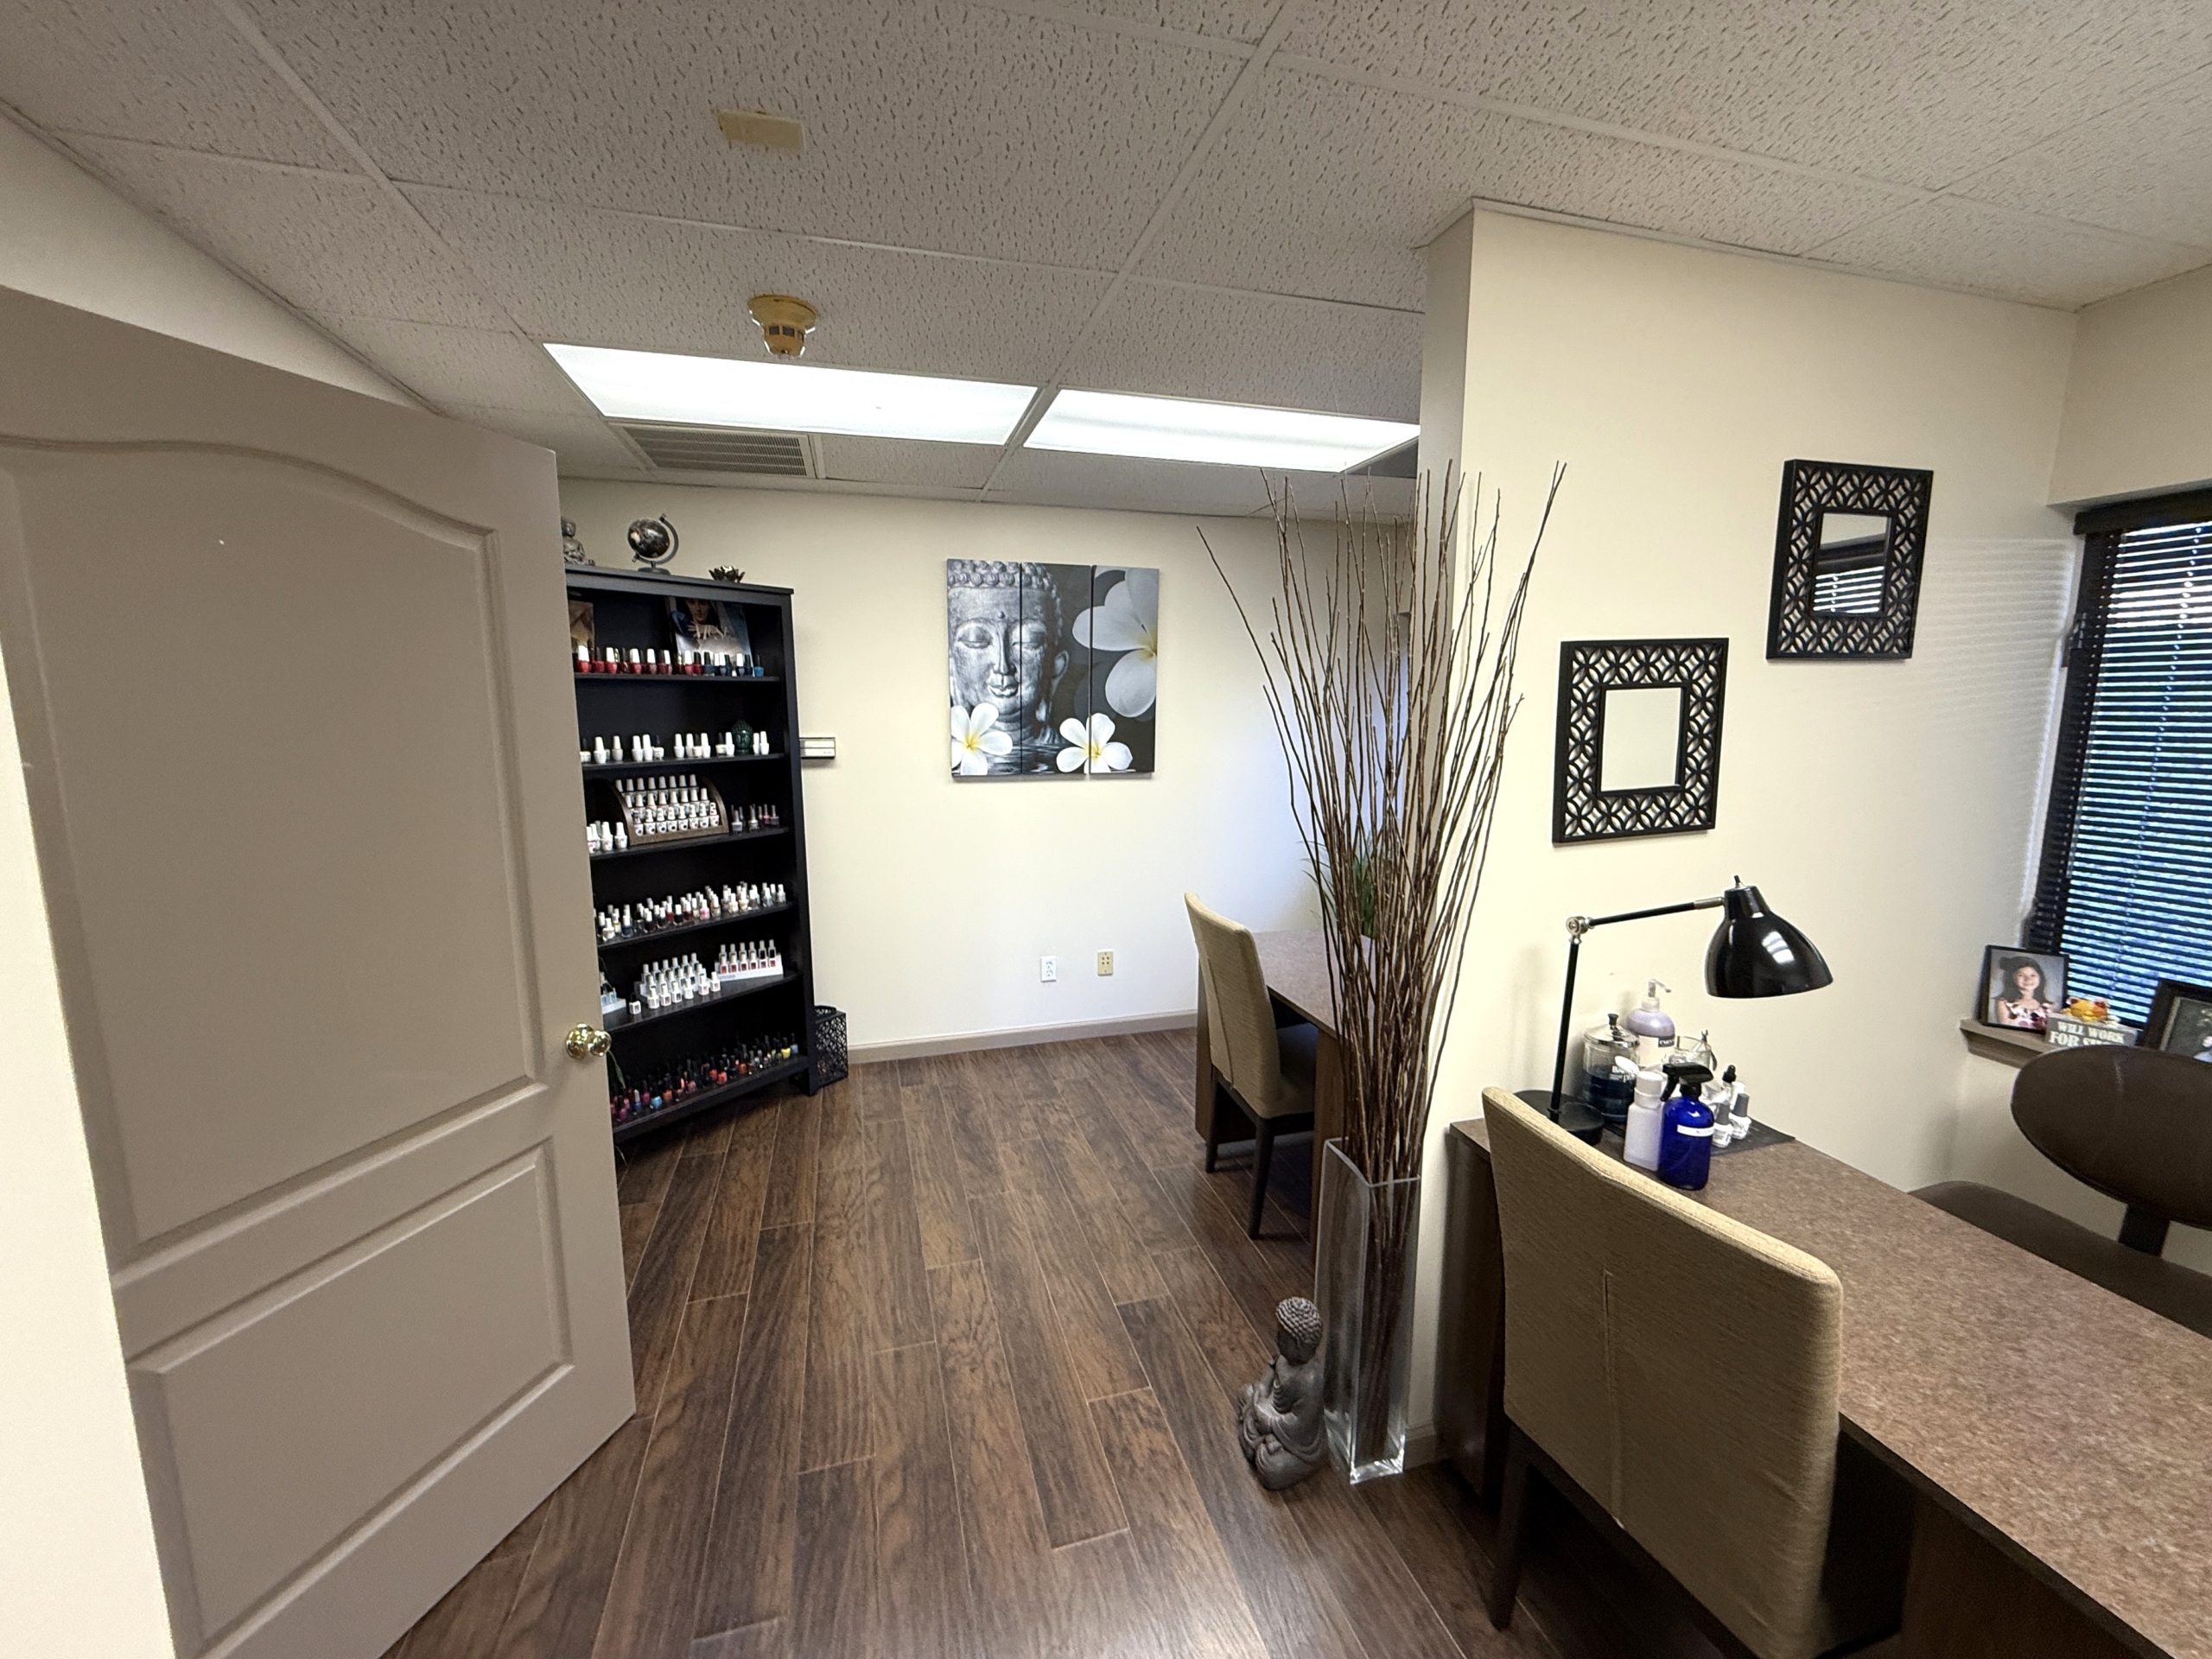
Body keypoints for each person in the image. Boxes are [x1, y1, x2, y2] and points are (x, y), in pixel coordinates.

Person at [946, 560, 1070, 774]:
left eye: (1027, 642)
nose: (1003, 666)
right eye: (977, 641)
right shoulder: (942, 757)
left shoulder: (1068, 758)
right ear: (952, 666)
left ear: (1056, 667)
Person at [1992, 956, 2055, 1031]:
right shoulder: (2004, 1002)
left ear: (2040, 978)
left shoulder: (2047, 1007)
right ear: (2012, 978)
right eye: (2021, 975)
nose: (2028, 979)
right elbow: (2004, 1028)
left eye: (2033, 975)